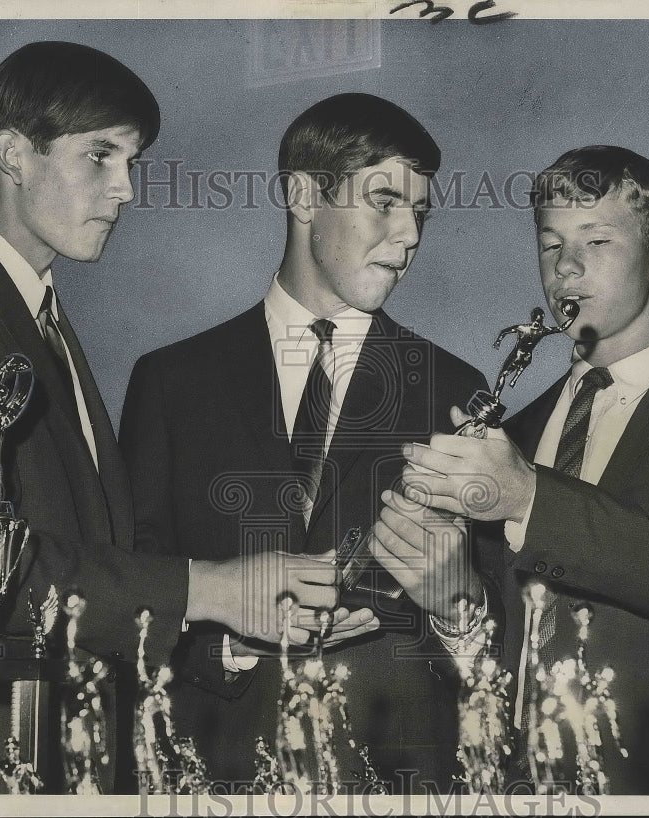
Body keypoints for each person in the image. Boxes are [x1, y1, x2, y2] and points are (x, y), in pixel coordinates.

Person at [0, 40, 340, 792]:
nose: (126, 189)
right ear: (13, 154)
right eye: (101, 156)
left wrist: (231, 634)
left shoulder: (39, 317)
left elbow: (85, 564)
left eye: (134, 162)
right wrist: (212, 587)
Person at [379, 145, 649, 794]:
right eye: (550, 245)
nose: (566, 268)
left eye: (597, 240)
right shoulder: (510, 437)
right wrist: (450, 599)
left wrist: (528, 497)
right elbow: (487, 652)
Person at [120, 93, 488, 793]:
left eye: (420, 213)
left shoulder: (458, 392)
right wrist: (224, 642)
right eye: (384, 201)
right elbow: (134, 582)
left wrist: (454, 602)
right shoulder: (172, 381)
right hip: (213, 776)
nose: (409, 235)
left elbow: (496, 623)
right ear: (301, 195)